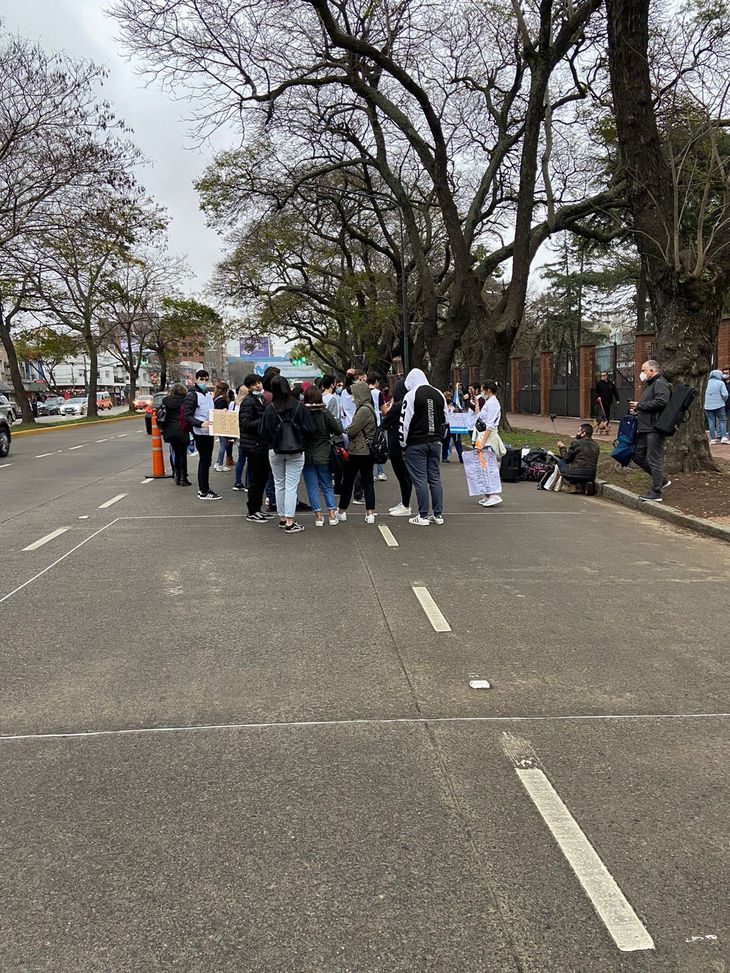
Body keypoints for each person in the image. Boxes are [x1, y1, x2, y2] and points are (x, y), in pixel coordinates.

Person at [260, 375, 312, 533]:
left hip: (275, 450)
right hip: (296, 450)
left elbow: (263, 431)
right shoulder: (299, 406)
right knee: (291, 486)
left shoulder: (270, 408)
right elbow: (310, 428)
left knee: (279, 484)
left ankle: (282, 517)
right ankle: (290, 521)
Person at [399, 367, 446, 525]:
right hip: (436, 441)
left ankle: (423, 515)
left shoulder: (411, 395)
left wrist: (403, 443)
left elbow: (405, 422)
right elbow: (446, 419)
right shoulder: (439, 394)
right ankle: (438, 515)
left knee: (420, 480)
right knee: (435, 478)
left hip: (416, 442)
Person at [629, 360, 672, 503]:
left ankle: (656, 492)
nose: (641, 373)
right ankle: (662, 480)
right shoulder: (651, 384)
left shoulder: (660, 383)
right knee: (637, 455)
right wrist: (638, 409)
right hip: (645, 427)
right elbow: (651, 404)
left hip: (654, 428)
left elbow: (661, 401)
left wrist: (640, 405)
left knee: (653, 459)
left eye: (643, 370)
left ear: (652, 371)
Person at [337, 380, 377, 524]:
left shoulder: (363, 410)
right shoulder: (370, 408)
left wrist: (348, 429)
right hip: (368, 450)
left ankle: (342, 511)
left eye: (354, 394)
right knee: (368, 482)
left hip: (357, 450)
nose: (353, 398)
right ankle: (370, 513)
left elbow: (352, 430)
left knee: (348, 481)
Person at [302, 386, 342, 526]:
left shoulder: (302, 413)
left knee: (311, 486)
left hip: (307, 454)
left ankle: (318, 517)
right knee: (326, 484)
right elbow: (338, 429)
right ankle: (332, 514)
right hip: (324, 452)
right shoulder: (325, 412)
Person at [238, 373, 275, 523]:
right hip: (253, 446)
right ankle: (252, 511)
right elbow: (245, 423)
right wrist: (264, 420)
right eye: (254, 384)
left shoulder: (260, 399)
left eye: (259, 382)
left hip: (260, 445)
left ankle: (257, 509)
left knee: (261, 479)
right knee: (256, 480)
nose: (258, 386)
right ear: (249, 387)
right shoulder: (248, 401)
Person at [184, 369, 220, 500]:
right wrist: (200, 424)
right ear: (196, 379)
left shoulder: (208, 394)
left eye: (206, 379)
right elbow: (187, 415)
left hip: (209, 431)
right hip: (200, 432)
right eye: (201, 379)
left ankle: (204, 488)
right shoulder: (192, 395)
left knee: (207, 460)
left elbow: (211, 411)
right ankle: (203, 490)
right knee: (204, 460)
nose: (204, 382)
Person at [381, 378, 412, 516]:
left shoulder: (399, 405)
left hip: (396, 443)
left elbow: (385, 423)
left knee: (402, 475)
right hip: (408, 443)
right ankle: (405, 502)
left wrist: (390, 408)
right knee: (407, 475)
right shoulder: (410, 403)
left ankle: (406, 504)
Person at [474, 380, 503, 508]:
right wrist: (476, 404)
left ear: (488, 390)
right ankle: (488, 493)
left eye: (482, 390)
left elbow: (490, 425)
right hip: (483, 436)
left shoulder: (493, 403)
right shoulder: (489, 402)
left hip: (488, 438)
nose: (481, 392)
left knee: (488, 466)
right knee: (483, 466)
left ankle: (494, 494)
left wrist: (483, 443)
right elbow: (480, 416)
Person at [159, 383, 192, 486]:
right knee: (183, 454)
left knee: (176, 453)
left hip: (170, 430)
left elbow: (161, 415)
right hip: (182, 429)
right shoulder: (185, 400)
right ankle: (183, 478)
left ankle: (177, 476)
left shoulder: (166, 401)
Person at [555, 423, 600, 493]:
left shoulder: (576, 442)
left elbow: (567, 459)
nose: (577, 433)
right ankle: (585, 485)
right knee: (579, 471)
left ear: (583, 433)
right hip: (591, 475)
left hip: (575, 473)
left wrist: (562, 448)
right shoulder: (596, 445)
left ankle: (570, 485)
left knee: (559, 462)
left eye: (579, 431)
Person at [369, 373, 387, 480]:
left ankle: (372, 473)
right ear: (376, 381)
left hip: (367, 422)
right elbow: (384, 410)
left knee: (370, 447)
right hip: (378, 422)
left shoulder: (364, 392)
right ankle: (380, 472)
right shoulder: (377, 393)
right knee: (379, 446)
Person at [704, 368, 729, 444]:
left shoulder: (707, 383)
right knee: (722, 420)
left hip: (708, 405)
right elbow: (725, 394)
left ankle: (712, 439)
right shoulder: (721, 383)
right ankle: (723, 437)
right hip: (719, 405)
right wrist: (723, 400)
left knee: (711, 421)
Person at [232, 384, 248, 491]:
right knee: (250, 460)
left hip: (238, 435)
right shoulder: (247, 404)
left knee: (241, 459)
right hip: (246, 435)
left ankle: (237, 481)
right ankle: (248, 483)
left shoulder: (235, 404)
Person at [212, 381, 232, 472]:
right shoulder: (222, 400)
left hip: (218, 423)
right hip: (222, 424)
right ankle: (220, 464)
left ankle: (218, 462)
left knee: (223, 444)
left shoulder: (215, 399)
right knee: (223, 445)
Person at [442, 388, 464, 463]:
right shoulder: (443, 405)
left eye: (450, 397)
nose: (448, 398)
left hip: (455, 425)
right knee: (446, 442)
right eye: (447, 397)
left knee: (458, 442)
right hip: (447, 425)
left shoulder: (454, 404)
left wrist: (457, 411)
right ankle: (444, 457)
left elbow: (460, 411)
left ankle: (461, 458)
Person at [594, 371, 620, 435]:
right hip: (601, 402)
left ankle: (606, 429)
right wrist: (598, 397)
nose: (602, 377)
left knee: (607, 415)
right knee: (602, 415)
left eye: (604, 375)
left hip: (608, 402)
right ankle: (598, 427)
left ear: (607, 376)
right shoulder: (599, 383)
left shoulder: (610, 383)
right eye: (601, 375)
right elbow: (596, 392)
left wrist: (617, 399)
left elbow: (615, 391)